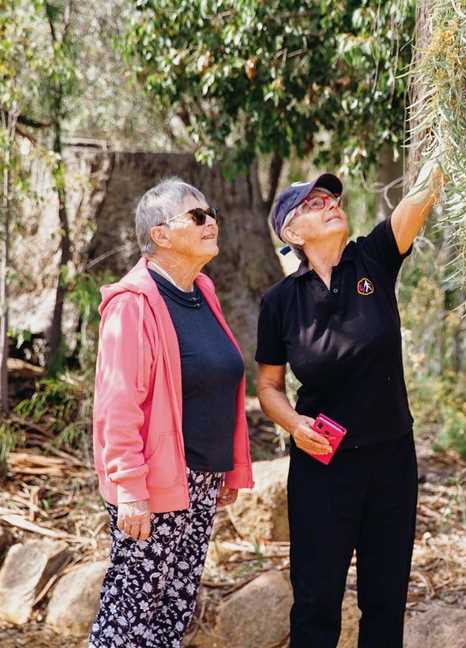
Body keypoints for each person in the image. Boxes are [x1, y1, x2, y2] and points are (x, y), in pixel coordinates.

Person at [256, 161, 444, 648]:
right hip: (322, 468)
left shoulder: (373, 260)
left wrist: (451, 128)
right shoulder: (280, 302)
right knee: (316, 603)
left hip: (391, 461)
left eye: (333, 199)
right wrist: (295, 425)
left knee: (384, 601)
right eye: (315, 204)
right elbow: (269, 387)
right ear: (292, 230)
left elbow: (419, 198)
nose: (331, 205)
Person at [87, 177, 254, 648]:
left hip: (199, 479)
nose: (211, 223)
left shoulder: (203, 292)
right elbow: (117, 403)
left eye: (211, 213)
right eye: (197, 216)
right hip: (152, 484)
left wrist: (225, 469)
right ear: (160, 234)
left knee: (172, 612)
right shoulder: (133, 303)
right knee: (129, 614)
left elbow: (216, 382)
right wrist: (130, 490)